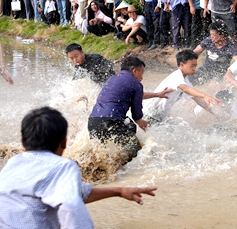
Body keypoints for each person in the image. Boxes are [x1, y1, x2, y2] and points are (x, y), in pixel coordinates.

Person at [0, 107, 157, 229]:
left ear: (22, 141)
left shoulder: (13, 163)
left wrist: (119, 191)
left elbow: (72, 193)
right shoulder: (62, 166)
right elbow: (71, 206)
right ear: (64, 142)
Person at [88, 57, 172, 159]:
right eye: (142, 73)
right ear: (135, 70)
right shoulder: (136, 84)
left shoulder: (112, 79)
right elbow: (136, 114)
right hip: (112, 122)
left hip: (93, 122)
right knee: (136, 153)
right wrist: (142, 124)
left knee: (101, 155)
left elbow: (132, 95)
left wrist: (157, 94)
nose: (142, 77)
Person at [143, 50, 220, 122]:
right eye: (192, 66)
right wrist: (205, 95)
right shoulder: (177, 77)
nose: (194, 69)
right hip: (150, 115)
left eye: (195, 66)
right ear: (182, 65)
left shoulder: (185, 80)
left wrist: (217, 113)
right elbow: (186, 89)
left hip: (160, 117)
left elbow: (198, 100)